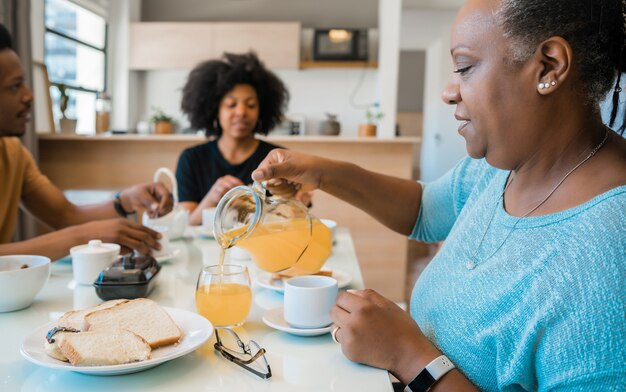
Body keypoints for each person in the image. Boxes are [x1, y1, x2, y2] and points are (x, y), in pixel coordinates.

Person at [252, 0, 626, 390]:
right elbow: (425, 211)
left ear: (549, 66)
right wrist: (321, 171)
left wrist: (410, 357)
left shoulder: (609, 250)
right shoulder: (507, 165)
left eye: (465, 67)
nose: (449, 92)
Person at [0, 24, 173, 261]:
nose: (29, 95)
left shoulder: (13, 152)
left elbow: (65, 215)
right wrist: (79, 238)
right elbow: (74, 229)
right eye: (14, 86)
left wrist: (126, 200)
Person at [176, 52, 290, 225]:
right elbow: (187, 223)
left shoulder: (277, 159)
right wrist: (213, 197)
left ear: (262, 110)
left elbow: (289, 220)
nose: (241, 112)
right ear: (215, 110)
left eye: (250, 105)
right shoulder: (191, 159)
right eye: (231, 104)